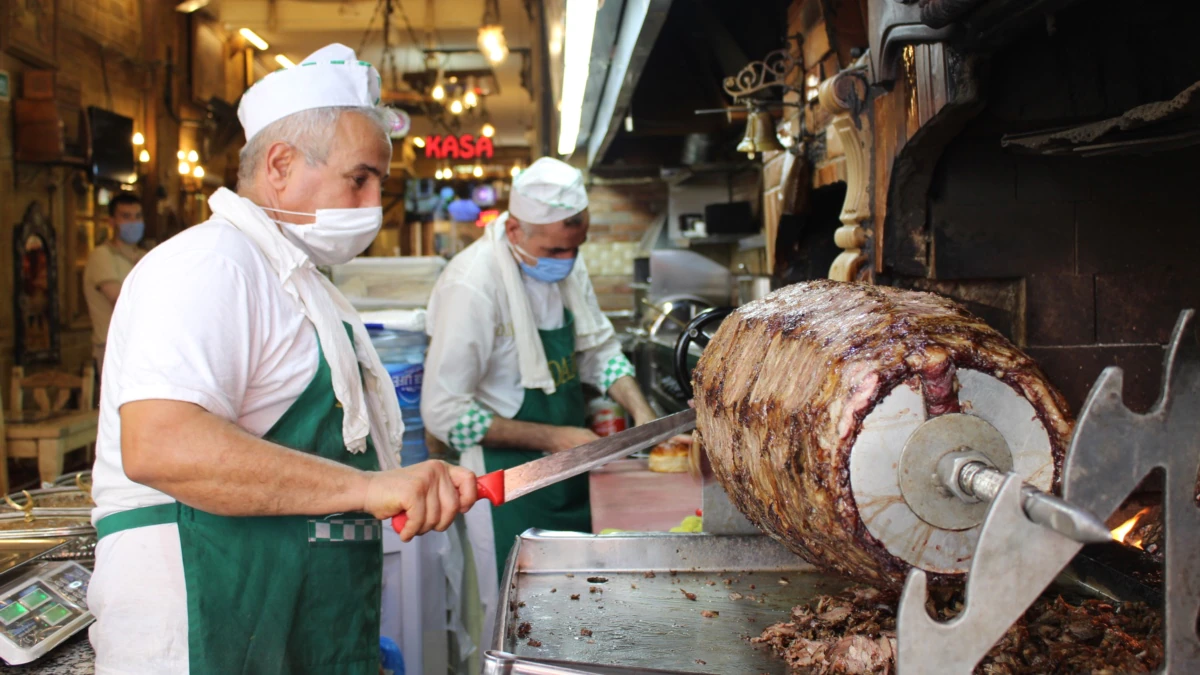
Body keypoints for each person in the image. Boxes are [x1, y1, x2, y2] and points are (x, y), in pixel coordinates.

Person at [87, 44, 478, 675]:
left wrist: (403, 480)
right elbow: (161, 445)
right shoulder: (211, 265)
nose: (377, 201)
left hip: (287, 620)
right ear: (280, 164)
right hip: (207, 624)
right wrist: (368, 487)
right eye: (361, 178)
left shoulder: (300, 282)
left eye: (380, 181)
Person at [421, 156, 659, 633]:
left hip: (573, 470)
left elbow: (597, 349)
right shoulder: (472, 285)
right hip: (506, 483)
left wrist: (643, 415)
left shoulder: (565, 263)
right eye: (554, 250)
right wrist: (552, 438)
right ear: (513, 229)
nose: (566, 262)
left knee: (581, 609)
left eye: (575, 248)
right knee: (518, 616)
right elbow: (444, 413)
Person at [83, 192, 145, 373]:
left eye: (138, 216)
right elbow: (120, 300)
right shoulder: (101, 256)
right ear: (112, 222)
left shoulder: (143, 256)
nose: (133, 222)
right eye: (126, 217)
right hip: (111, 347)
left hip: (139, 346)